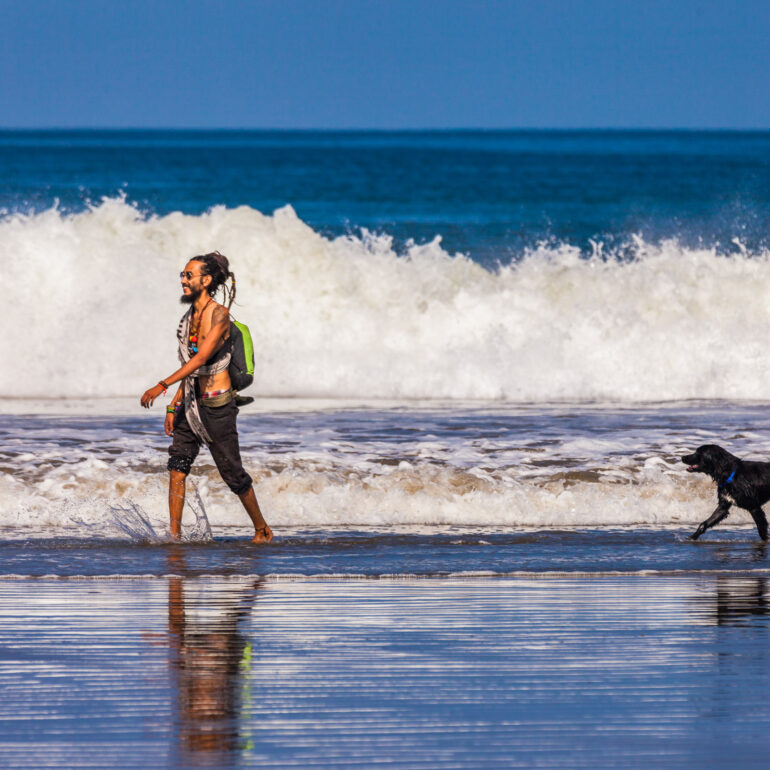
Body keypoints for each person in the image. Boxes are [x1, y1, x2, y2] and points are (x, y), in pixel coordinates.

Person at [140, 251, 273, 544]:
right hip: (190, 402)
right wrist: (174, 405)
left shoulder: (220, 315)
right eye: (182, 275)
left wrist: (160, 385)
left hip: (216, 405)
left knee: (232, 474)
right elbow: (190, 368)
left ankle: (262, 529)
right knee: (177, 466)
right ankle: (173, 536)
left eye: (189, 275)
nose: (183, 281)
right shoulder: (188, 317)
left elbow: (200, 359)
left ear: (207, 280)